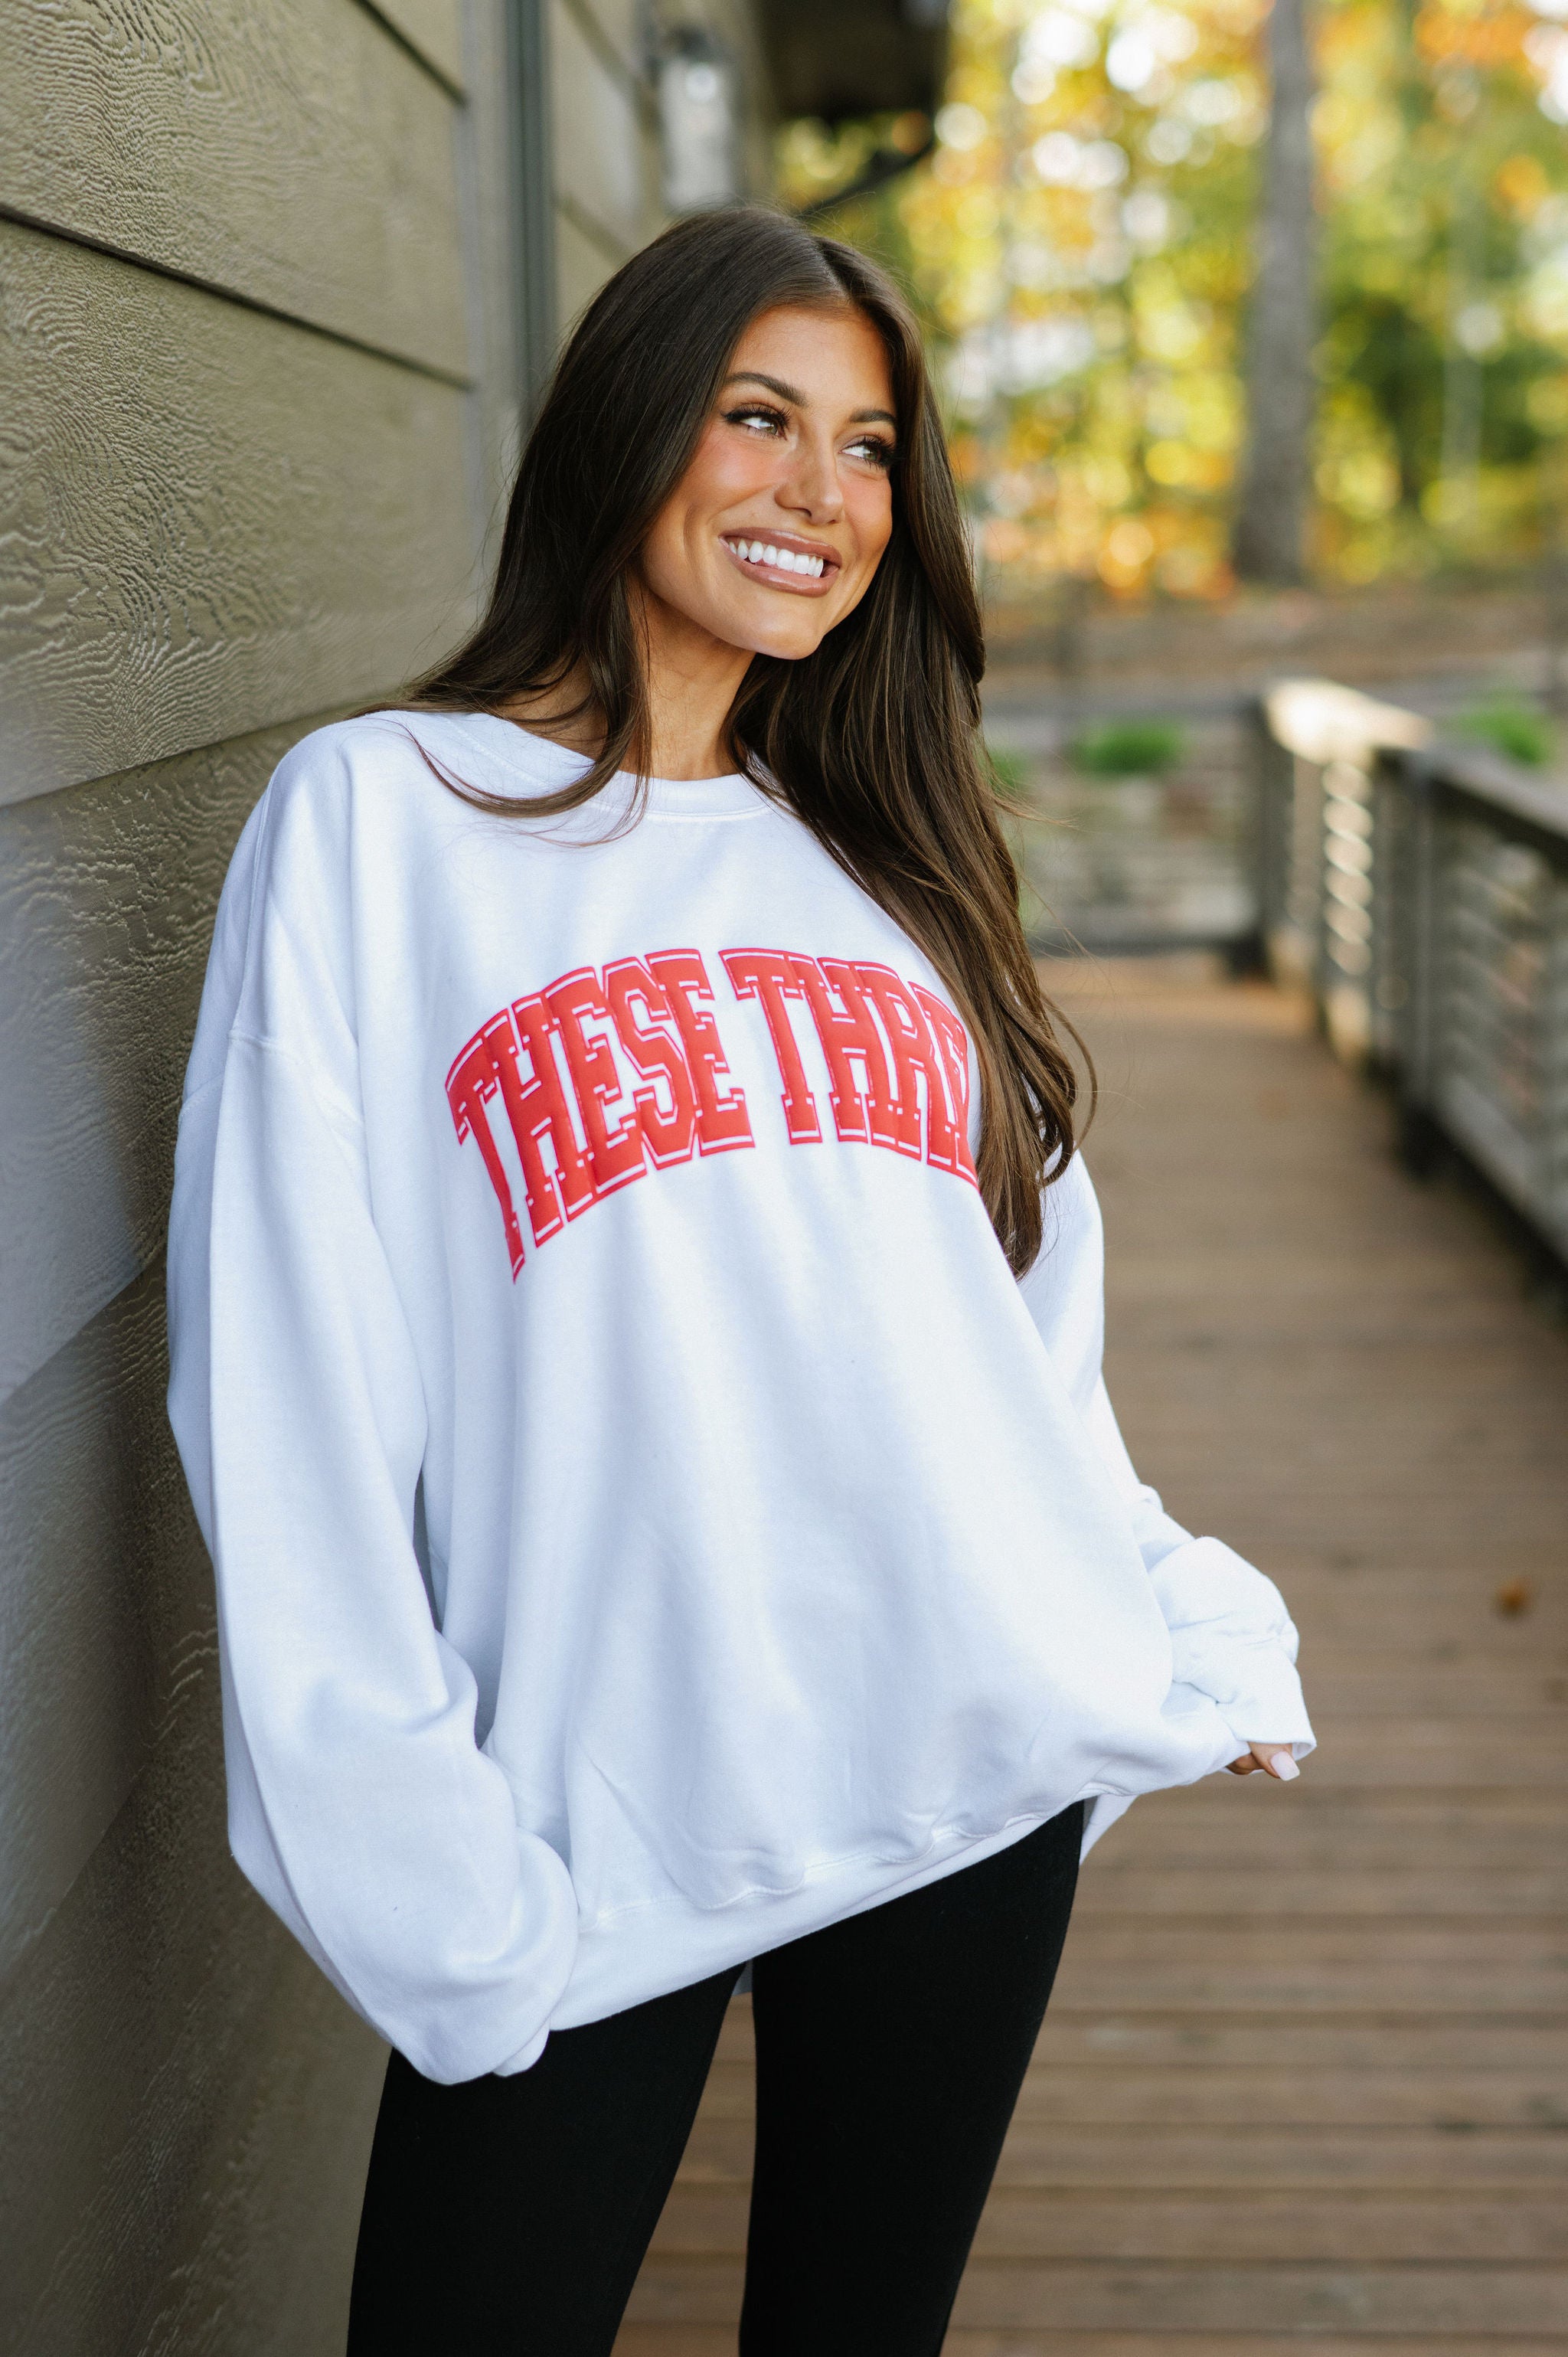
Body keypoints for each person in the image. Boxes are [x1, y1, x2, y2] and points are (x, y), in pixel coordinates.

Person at [166, 207, 1313, 2355]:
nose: (819, 493)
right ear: (626, 430)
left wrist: (1154, 1594)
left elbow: (1010, 1351)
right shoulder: (387, 821)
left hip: (957, 1765)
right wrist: (426, 1864)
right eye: (759, 417)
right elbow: (290, 1389)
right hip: (584, 1813)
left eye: (870, 447)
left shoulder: (886, 867)